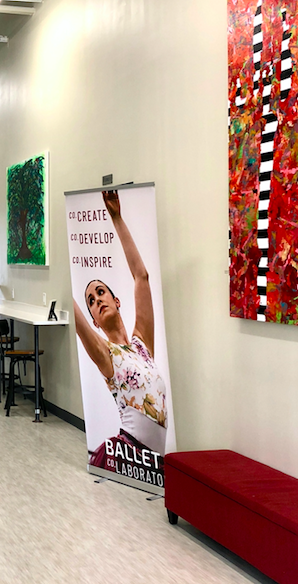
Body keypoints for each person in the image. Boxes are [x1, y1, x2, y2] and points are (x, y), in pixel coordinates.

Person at [73, 190, 168, 463]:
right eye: (91, 300)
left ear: (116, 300)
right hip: (128, 454)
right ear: (93, 319)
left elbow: (142, 277)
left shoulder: (142, 345)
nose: (97, 299)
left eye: (101, 292)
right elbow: (76, 318)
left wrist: (117, 218)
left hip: (154, 461)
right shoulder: (105, 353)